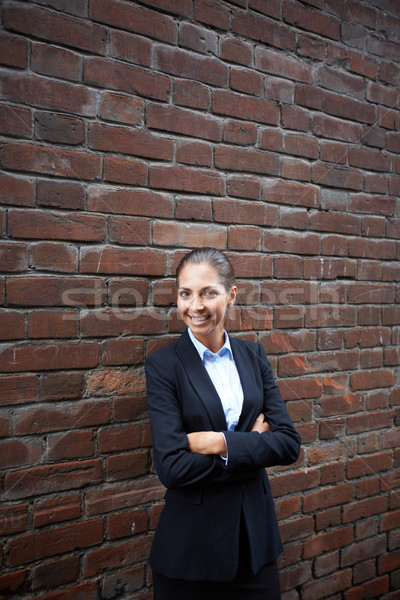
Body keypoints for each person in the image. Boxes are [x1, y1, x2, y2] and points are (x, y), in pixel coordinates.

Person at [145, 247, 301, 600]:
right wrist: (252, 446)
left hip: (255, 547)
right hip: (191, 553)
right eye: (186, 293)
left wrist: (219, 443)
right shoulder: (164, 366)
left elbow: (289, 443)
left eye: (208, 293)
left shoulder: (254, 355)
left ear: (231, 295)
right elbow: (171, 468)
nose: (195, 306)